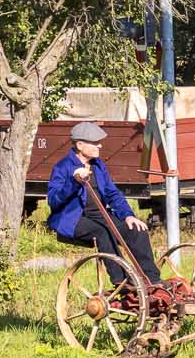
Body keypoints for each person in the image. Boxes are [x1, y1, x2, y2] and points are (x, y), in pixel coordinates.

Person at [45, 121, 159, 283]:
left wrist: (128, 215)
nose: (99, 146)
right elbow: (54, 201)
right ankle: (122, 281)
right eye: (95, 143)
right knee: (102, 232)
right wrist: (74, 181)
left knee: (136, 230)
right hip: (73, 219)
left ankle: (151, 281)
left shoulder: (98, 165)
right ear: (80, 145)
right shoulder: (63, 167)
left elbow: (112, 193)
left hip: (99, 214)